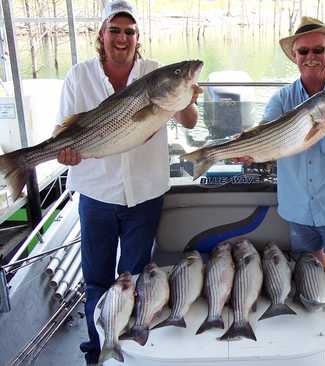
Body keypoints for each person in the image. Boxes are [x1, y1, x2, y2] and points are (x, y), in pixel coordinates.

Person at [54, 1, 200, 364]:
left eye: (130, 31)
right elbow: (63, 134)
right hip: (96, 194)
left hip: (145, 195)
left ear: (138, 37)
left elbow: (191, 121)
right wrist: (64, 152)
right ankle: (95, 351)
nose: (123, 38)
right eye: (115, 30)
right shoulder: (79, 75)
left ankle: (131, 351)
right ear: (101, 35)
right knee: (97, 281)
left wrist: (185, 96)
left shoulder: (156, 74)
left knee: (135, 279)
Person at [238, 15, 325, 360]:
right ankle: (319, 338)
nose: (311, 56)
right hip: (298, 205)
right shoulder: (282, 98)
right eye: (303, 51)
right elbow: (265, 135)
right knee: (312, 270)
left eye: (318, 50)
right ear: (294, 56)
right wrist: (245, 150)